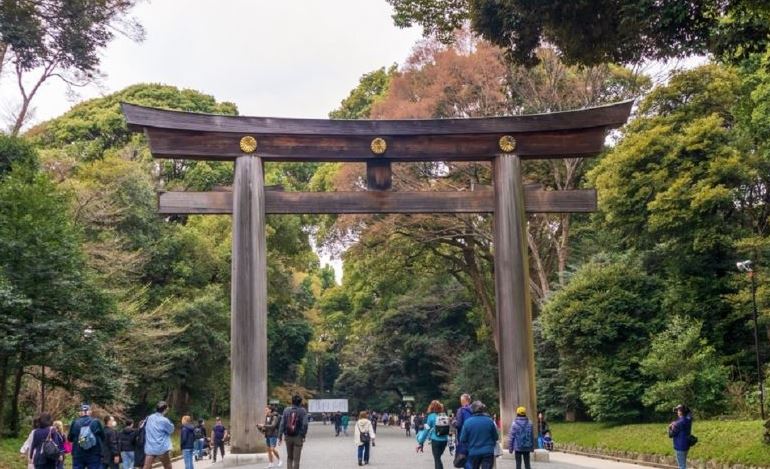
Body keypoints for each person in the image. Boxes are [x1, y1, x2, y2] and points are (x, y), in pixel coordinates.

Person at [459, 401, 498, 469]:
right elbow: (496, 437)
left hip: (473, 452)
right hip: (488, 452)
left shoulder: (467, 422)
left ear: (472, 410)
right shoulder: (489, 421)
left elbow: (462, 439)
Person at [68, 404, 105, 469]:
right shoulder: (96, 422)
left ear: (80, 413)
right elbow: (103, 437)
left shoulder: (75, 423)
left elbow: (70, 438)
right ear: (90, 412)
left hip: (78, 453)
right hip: (94, 453)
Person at [278, 394, 309, 469]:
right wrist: (303, 435)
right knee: (296, 459)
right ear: (300, 402)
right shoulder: (303, 411)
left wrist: (280, 436)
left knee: (289, 457)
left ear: (292, 401)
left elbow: (282, 424)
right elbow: (305, 424)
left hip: (288, 436)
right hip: (298, 437)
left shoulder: (286, 410)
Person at [417, 400, 450, 469]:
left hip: (435, 440)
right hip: (444, 440)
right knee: (438, 458)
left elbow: (426, 430)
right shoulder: (444, 415)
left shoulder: (431, 416)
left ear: (431, 407)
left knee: (437, 459)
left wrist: (421, 442)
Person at [142, 401, 174, 469]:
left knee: (146, 466)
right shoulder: (164, 420)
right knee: (167, 465)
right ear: (165, 410)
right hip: (161, 447)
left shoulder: (149, 418)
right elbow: (171, 430)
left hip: (150, 446)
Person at [669, 404, 693, 469]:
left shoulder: (677, 423)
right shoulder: (688, 420)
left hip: (679, 446)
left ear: (680, 412)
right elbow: (689, 414)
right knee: (683, 463)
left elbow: (671, 435)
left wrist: (670, 427)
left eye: (678, 410)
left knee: (681, 466)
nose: (677, 412)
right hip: (686, 445)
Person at [454, 393, 473, 469]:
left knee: (463, 458)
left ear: (463, 401)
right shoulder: (475, 410)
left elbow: (458, 425)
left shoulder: (461, 410)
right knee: (471, 458)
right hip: (473, 436)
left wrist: (453, 422)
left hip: (463, 437)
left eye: (461, 400)